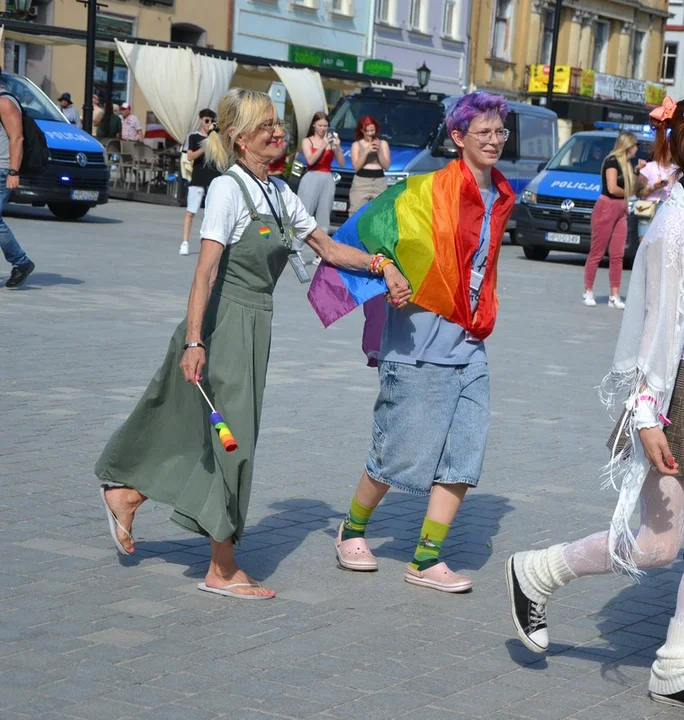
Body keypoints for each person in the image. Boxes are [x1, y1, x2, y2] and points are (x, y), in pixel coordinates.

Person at [95, 88, 411, 600]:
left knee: (205, 431)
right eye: (266, 125)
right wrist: (195, 341)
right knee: (231, 441)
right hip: (221, 325)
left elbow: (328, 248)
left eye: (278, 123)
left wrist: (382, 264)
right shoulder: (227, 190)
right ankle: (221, 567)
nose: (278, 132)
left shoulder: (279, 193)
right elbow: (205, 272)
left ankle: (127, 494)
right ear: (241, 139)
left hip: (255, 324)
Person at [506, 95, 684, 720]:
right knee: (655, 546)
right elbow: (655, 329)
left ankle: (675, 669)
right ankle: (537, 571)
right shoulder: (677, 223)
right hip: (674, 393)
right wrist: (646, 415)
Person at [333, 92, 515, 593]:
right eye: (485, 132)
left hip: (468, 345)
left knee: (464, 454)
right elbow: (363, 234)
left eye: (501, 131)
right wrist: (388, 268)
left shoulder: (500, 197)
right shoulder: (423, 190)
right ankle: (351, 530)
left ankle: (426, 557)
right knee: (397, 454)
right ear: (458, 138)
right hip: (416, 342)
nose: (496, 140)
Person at [584, 130, 640, 309]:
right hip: (607, 206)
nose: (637, 149)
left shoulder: (628, 164)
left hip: (621, 208)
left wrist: (637, 172)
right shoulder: (611, 161)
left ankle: (614, 295)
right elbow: (613, 188)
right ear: (628, 146)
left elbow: (634, 187)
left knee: (618, 254)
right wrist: (629, 193)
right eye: (635, 145)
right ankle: (588, 290)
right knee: (597, 252)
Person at [0, 75, 34, 288]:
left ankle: (21, 262)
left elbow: (17, 137)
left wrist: (14, 171)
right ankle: (20, 262)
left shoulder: (4, 102)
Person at [179, 109, 220, 256]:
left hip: (214, 179)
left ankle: (208, 243)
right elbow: (190, 156)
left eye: (211, 121)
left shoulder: (217, 137)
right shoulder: (194, 137)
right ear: (201, 120)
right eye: (206, 121)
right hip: (198, 178)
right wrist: (204, 146)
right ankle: (185, 242)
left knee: (212, 214)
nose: (209, 124)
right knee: (191, 211)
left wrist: (213, 137)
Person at [297, 111, 344, 234]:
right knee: (305, 211)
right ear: (314, 125)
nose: (323, 129)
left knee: (324, 214)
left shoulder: (330, 141)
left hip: (327, 177)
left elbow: (342, 163)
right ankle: (297, 246)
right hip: (311, 176)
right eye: (320, 125)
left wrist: (337, 148)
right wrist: (323, 146)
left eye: (325, 126)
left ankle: (321, 249)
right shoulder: (308, 141)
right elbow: (310, 160)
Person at [348, 115, 390, 214]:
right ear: (362, 130)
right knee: (356, 212)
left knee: (381, 212)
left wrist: (379, 150)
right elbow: (356, 167)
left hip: (379, 181)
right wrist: (366, 151)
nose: (371, 134)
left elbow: (386, 166)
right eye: (368, 131)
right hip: (361, 181)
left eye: (373, 130)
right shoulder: (356, 145)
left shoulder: (383, 143)